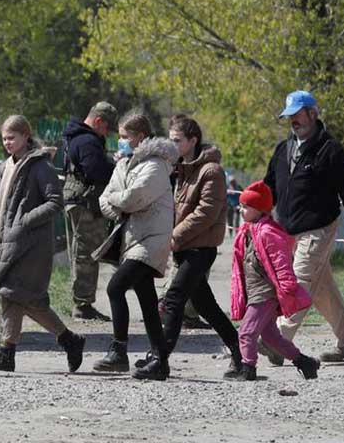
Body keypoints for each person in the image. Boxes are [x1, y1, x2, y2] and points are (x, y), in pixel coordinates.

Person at [0, 116, 86, 373]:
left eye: (12, 137)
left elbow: (55, 202)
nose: (7, 143)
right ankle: (68, 340)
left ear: (26, 136)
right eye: (4, 138)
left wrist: (25, 221)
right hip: (7, 243)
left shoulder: (40, 166)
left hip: (31, 246)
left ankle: (8, 352)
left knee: (14, 295)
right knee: (21, 298)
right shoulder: (4, 169)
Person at [262, 90, 344, 364]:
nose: (293, 120)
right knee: (321, 288)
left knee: (298, 281)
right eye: (290, 116)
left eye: (297, 114)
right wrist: (257, 213)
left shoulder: (331, 150)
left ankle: (277, 340)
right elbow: (268, 186)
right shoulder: (282, 149)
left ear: (312, 113)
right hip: (288, 230)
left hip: (320, 228)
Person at [137, 116, 240, 374]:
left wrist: (174, 236)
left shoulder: (211, 171)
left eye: (177, 140)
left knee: (173, 301)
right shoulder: (181, 168)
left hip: (200, 250)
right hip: (184, 249)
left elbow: (206, 212)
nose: (171, 144)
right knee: (207, 308)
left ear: (193, 141)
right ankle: (242, 354)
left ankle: (159, 361)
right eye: (170, 139)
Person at [91, 113, 177, 381]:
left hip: (151, 239)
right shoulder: (124, 165)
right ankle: (160, 360)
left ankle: (119, 351)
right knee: (148, 301)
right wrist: (119, 202)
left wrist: (119, 202)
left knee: (115, 287)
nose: (120, 142)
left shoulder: (156, 166)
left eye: (125, 137)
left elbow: (133, 199)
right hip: (132, 238)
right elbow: (105, 199)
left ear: (140, 137)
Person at [226, 181, 319, 381]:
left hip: (265, 293)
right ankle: (305, 362)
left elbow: (281, 261)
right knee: (271, 338)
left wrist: (287, 286)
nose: (240, 210)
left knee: (246, 332)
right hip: (255, 291)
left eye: (245, 207)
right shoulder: (248, 232)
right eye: (241, 206)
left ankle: (248, 369)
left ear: (259, 209)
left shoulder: (268, 233)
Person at [62, 101, 118, 321]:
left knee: (84, 251)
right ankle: (83, 305)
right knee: (87, 253)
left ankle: (83, 302)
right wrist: (116, 167)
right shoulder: (87, 141)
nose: (108, 133)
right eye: (107, 127)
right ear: (98, 121)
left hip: (80, 200)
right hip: (85, 203)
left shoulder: (79, 137)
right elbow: (96, 171)